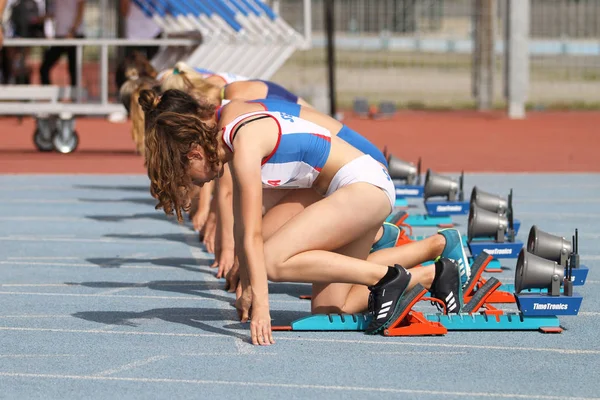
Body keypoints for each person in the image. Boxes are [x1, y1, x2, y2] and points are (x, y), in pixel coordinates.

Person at [140, 88, 465, 345]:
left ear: (195, 152)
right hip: (350, 191)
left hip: (365, 186)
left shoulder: (244, 145)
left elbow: (254, 238)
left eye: (189, 176)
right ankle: (433, 273)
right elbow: (242, 230)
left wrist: (262, 310)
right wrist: (249, 290)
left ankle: (384, 278)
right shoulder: (234, 150)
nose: (198, 184)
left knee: (272, 260)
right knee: (331, 308)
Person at [39, 0, 85, 90]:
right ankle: (50, 95)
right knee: (44, 67)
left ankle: (75, 100)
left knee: (73, 70)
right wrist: (38, 19)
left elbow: (81, 10)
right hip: (60, 36)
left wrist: (72, 32)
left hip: (74, 35)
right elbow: (55, 13)